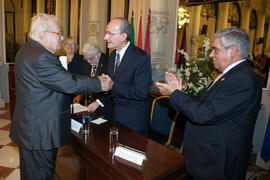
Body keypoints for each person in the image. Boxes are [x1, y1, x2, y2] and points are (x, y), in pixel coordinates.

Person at [9, 13, 112, 180]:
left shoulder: (26, 49)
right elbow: (69, 83)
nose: (62, 37)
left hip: (31, 128)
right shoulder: (42, 57)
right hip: (40, 133)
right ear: (43, 34)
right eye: (58, 33)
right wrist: (99, 83)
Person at [156, 28, 262, 179]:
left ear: (232, 50)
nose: (211, 54)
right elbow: (206, 106)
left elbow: (204, 114)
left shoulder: (243, 79)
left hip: (218, 163)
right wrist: (179, 92)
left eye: (215, 50)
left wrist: (175, 94)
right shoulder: (229, 75)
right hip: (206, 159)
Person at [88, 17, 152, 136]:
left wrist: (113, 85)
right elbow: (110, 85)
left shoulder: (140, 58)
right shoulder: (112, 56)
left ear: (123, 36)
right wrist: (99, 101)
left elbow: (141, 92)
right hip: (115, 115)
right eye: (106, 33)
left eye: (110, 34)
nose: (105, 37)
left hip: (133, 121)